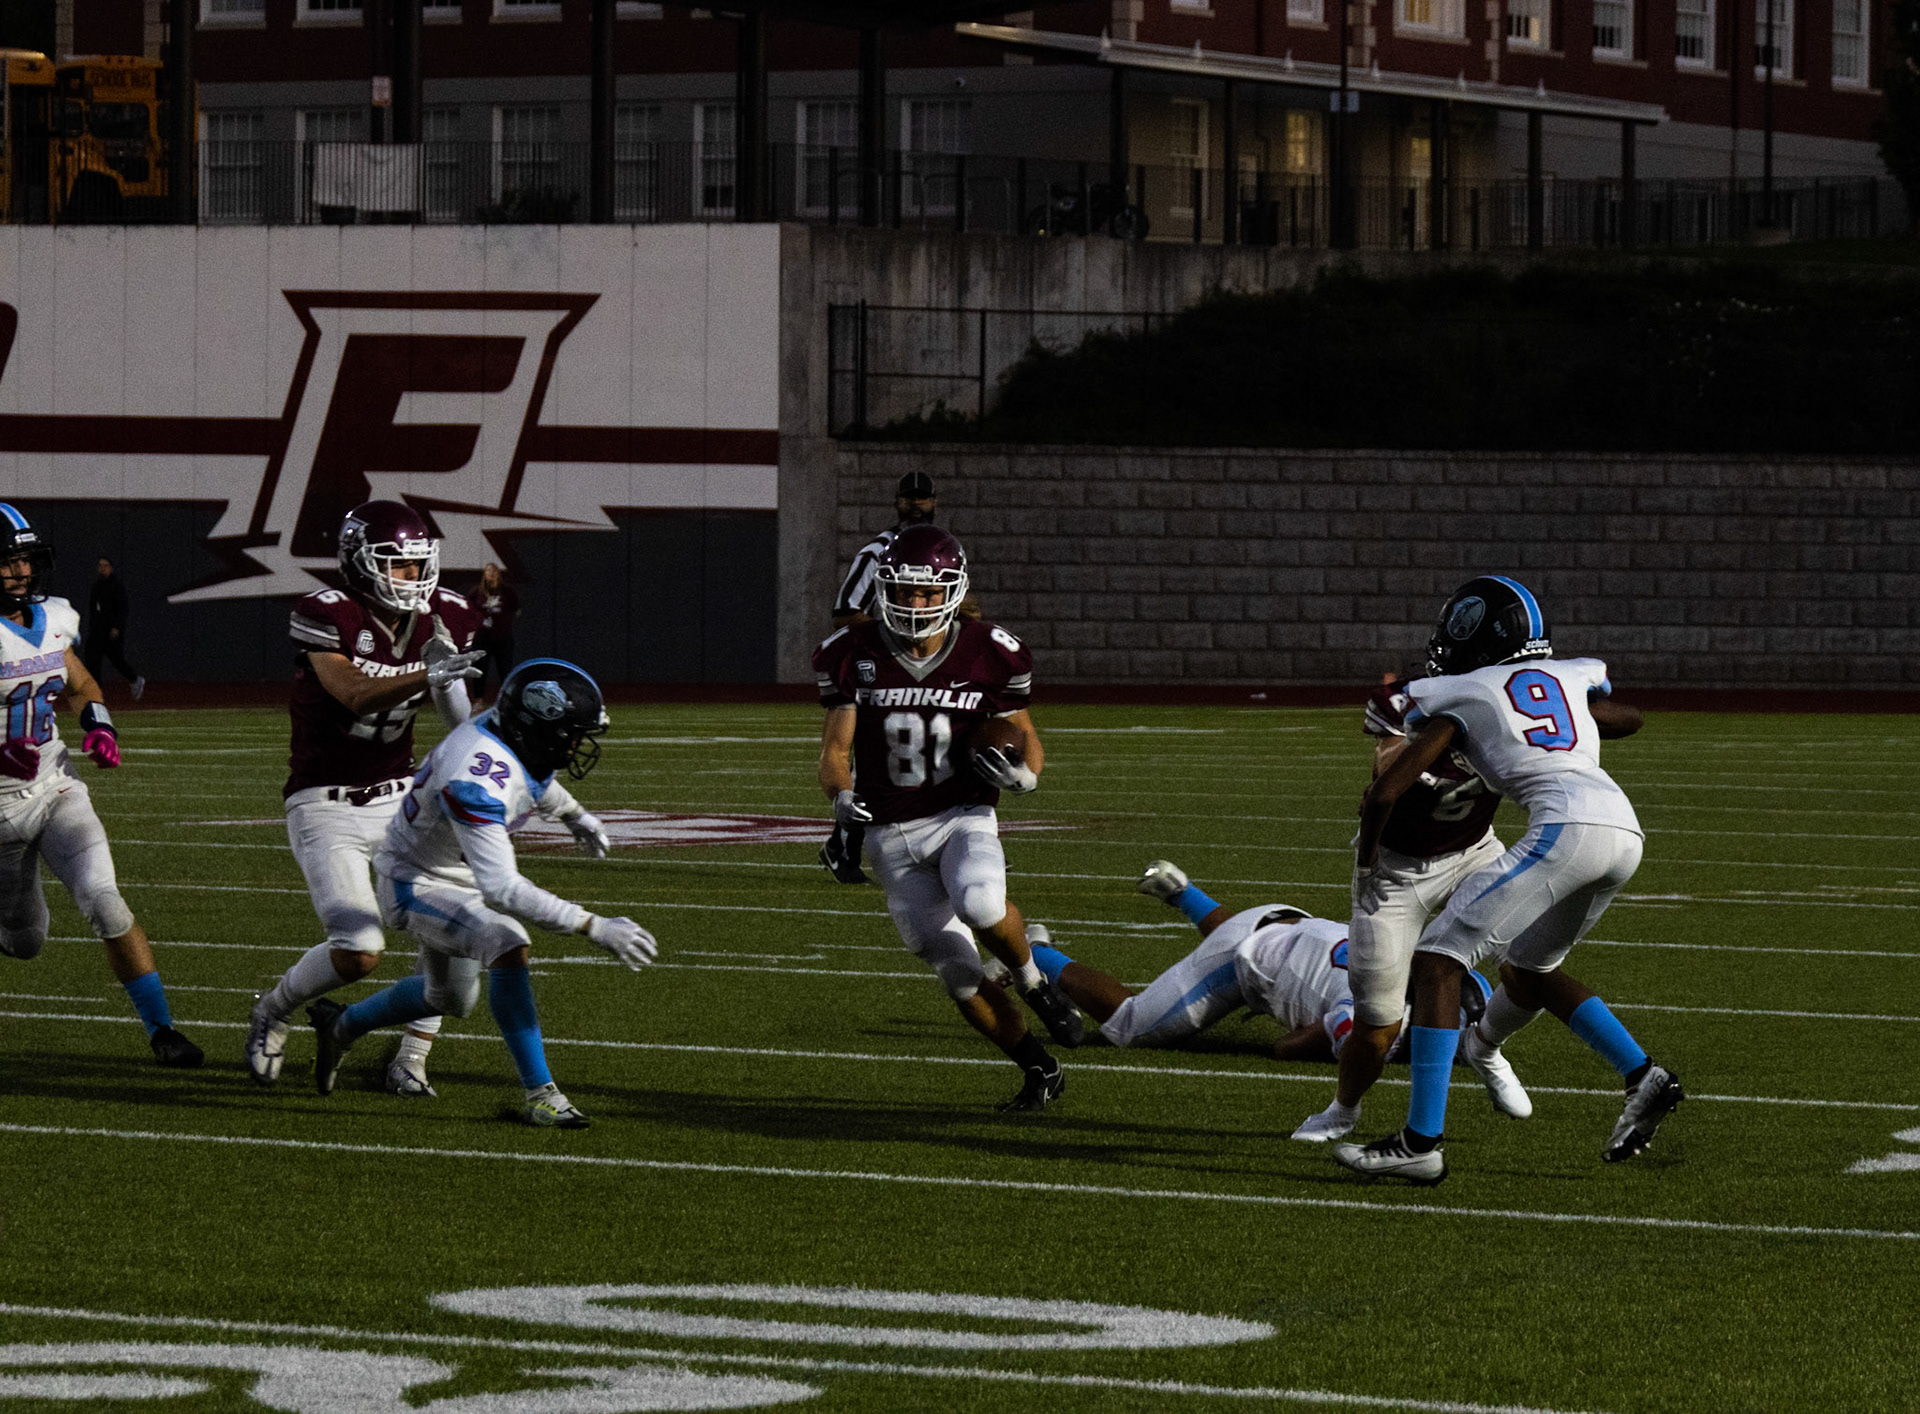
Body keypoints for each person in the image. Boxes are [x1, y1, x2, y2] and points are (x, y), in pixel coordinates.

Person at [1333, 575, 1682, 1185]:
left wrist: (1364, 868)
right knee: (1530, 970)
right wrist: (1571, 713)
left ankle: (1421, 1141)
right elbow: (1631, 718)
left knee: (1438, 961)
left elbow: (1386, 792)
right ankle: (1642, 1074)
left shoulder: (1459, 691)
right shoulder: (1567, 674)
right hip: (1624, 832)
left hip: (1565, 828)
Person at [308, 659, 651, 1128]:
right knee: (506, 940)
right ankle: (542, 1094)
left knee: (450, 999)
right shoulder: (476, 777)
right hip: (415, 883)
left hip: (451, 877)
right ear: (538, 728)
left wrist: (573, 814)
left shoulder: (507, 731)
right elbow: (503, 887)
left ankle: (341, 1025)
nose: (576, 745)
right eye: (570, 734)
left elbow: (531, 776)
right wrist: (592, 924)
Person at [813, 524, 1081, 1111]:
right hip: (889, 832)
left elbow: (1023, 733)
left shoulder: (992, 650)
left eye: (928, 591)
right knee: (958, 975)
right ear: (884, 589)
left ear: (954, 590)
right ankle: (1040, 1068)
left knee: (980, 902)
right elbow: (835, 751)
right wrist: (840, 798)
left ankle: (1034, 982)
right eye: (904, 591)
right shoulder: (852, 652)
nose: (916, 603)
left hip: (963, 813)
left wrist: (1027, 775)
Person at [245, 501, 493, 1097]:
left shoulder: (448, 614)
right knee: (359, 949)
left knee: (458, 986)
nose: (414, 576)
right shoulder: (328, 611)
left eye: (419, 564)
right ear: (360, 563)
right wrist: (427, 674)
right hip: (325, 803)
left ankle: (409, 1057)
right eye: (398, 565)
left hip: (401, 797)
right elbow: (353, 693)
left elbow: (457, 716)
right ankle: (273, 1010)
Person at [0, 505, 199, 1065]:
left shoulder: (54, 617)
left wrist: (99, 725)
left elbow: (80, 682)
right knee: (25, 941)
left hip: (55, 786)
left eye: (25, 559)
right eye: (8, 561)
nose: (21, 571)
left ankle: (163, 1032)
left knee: (106, 902)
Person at [1291, 672, 1526, 1143]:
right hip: (1395, 873)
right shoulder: (1402, 702)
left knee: (1530, 964)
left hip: (1475, 853)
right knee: (1377, 1024)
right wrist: (1432, 740)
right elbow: (1387, 773)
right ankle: (1342, 1110)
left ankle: (1486, 1046)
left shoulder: (1502, 700)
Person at [1029, 861, 1495, 1067]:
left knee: (1255, 944)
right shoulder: (1373, 1013)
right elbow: (1285, 1048)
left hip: (1286, 921)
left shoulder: (1409, 966)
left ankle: (1182, 893)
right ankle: (1034, 953)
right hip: (1244, 956)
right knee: (1130, 1025)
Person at [831, 472, 939, 629]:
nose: (916, 502)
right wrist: (891, 636)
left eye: (922, 497)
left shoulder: (943, 552)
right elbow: (844, 614)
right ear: (897, 502)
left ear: (934, 502)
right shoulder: (876, 553)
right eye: (908, 497)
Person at [83, 557, 144, 701]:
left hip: (111, 631)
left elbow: (123, 608)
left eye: (105, 566)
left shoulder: (116, 585)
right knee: (92, 660)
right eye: (100, 566)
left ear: (111, 568)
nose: (102, 568)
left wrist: (117, 627)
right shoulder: (96, 586)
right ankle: (96, 693)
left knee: (116, 660)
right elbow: (93, 609)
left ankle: (135, 679)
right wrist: (92, 628)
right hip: (97, 631)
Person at [472, 563, 520, 700]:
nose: (492, 574)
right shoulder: (477, 591)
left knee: (505, 670)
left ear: (498, 574)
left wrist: (503, 619)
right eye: (489, 571)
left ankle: (506, 700)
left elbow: (517, 609)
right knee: (479, 670)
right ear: (484, 574)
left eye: (494, 571)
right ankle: (478, 700)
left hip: (502, 638)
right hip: (482, 638)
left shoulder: (508, 591)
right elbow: (468, 609)